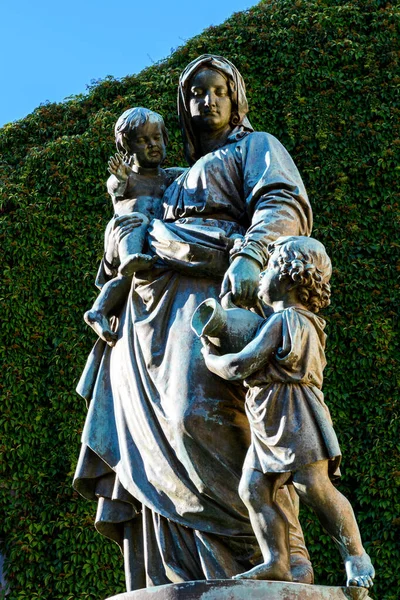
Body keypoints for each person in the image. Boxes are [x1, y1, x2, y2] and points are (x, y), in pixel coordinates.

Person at [73, 55, 314, 591]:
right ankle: (179, 573)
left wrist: (251, 255)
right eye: (195, 94)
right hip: (147, 321)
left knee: (200, 418)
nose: (206, 102)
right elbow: (129, 226)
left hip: (212, 299)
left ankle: (279, 554)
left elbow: (282, 202)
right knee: (152, 443)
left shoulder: (256, 148)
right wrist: (119, 244)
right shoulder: (174, 178)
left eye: (217, 91)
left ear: (236, 98)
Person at [202, 236, 375, 589]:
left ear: (286, 275)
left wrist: (209, 356)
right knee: (253, 490)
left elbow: (240, 366)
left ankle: (356, 555)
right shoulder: (287, 319)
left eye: (266, 269)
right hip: (269, 418)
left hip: (295, 414)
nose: (261, 276)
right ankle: (277, 561)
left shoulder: (288, 321)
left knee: (314, 486)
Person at [84, 107, 184, 345]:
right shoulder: (128, 177)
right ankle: (131, 259)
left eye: (156, 138)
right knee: (137, 220)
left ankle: (98, 311)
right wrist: (119, 177)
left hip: (152, 240)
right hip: (125, 235)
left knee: (127, 279)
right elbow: (115, 187)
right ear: (127, 149)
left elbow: (197, 175)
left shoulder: (171, 176)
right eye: (142, 140)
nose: (152, 144)